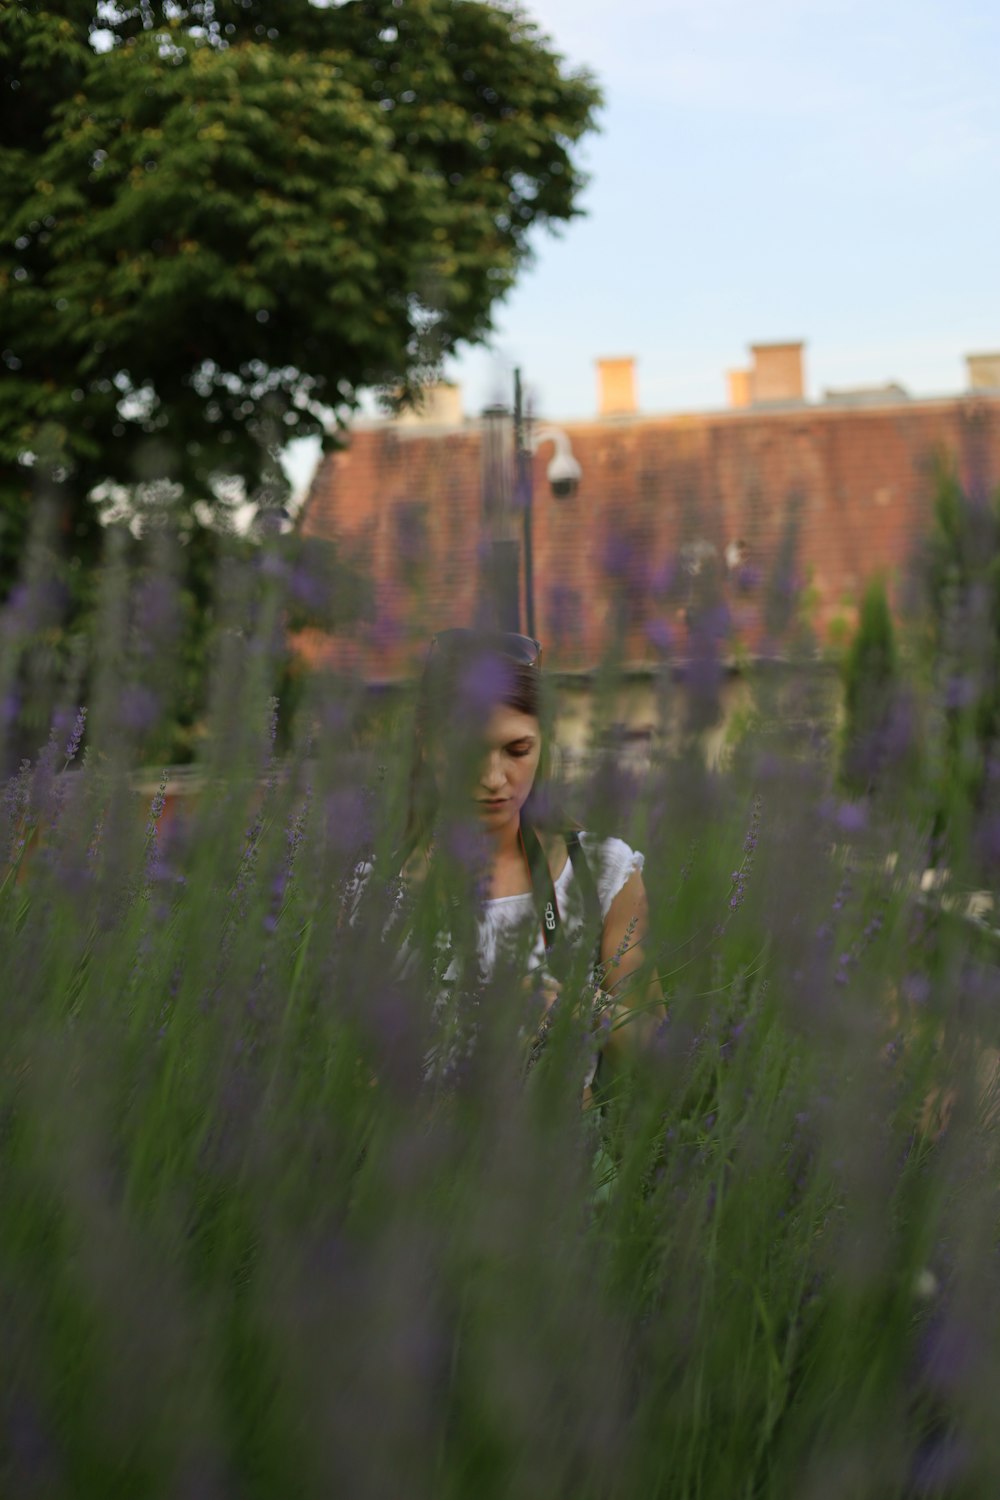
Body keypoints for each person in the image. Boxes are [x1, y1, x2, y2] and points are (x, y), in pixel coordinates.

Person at [394, 628, 664, 1095]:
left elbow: (656, 1047)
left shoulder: (597, 872)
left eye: (518, 751)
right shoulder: (377, 887)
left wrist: (575, 1007)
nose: (494, 778)